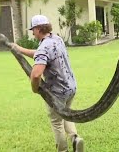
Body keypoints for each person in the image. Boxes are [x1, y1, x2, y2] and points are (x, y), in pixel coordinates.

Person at [13, 15, 84, 152]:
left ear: (39, 29)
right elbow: (39, 54)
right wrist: (19, 49)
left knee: (57, 121)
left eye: (33, 29)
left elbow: (36, 74)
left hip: (56, 93)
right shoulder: (56, 39)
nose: (32, 33)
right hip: (71, 87)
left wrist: (35, 88)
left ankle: (63, 150)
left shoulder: (44, 47)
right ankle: (75, 139)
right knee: (66, 113)